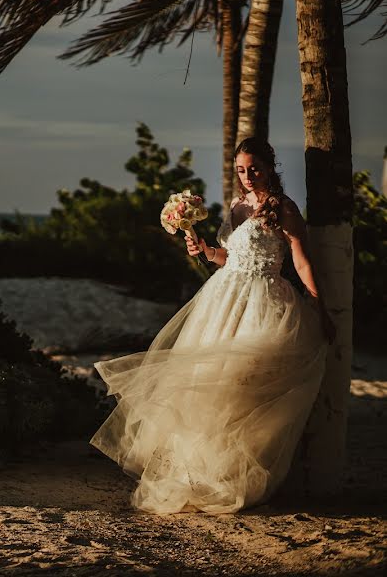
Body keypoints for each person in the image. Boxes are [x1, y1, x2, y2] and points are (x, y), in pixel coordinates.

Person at [89, 137, 336, 514]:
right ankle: (204, 475)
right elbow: (230, 257)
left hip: (263, 298)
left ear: (270, 167)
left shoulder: (282, 208)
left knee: (244, 387)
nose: (248, 176)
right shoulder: (237, 206)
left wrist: (320, 307)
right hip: (223, 297)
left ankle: (238, 477)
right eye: (241, 169)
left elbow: (301, 263)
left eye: (254, 168)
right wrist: (205, 251)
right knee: (205, 386)